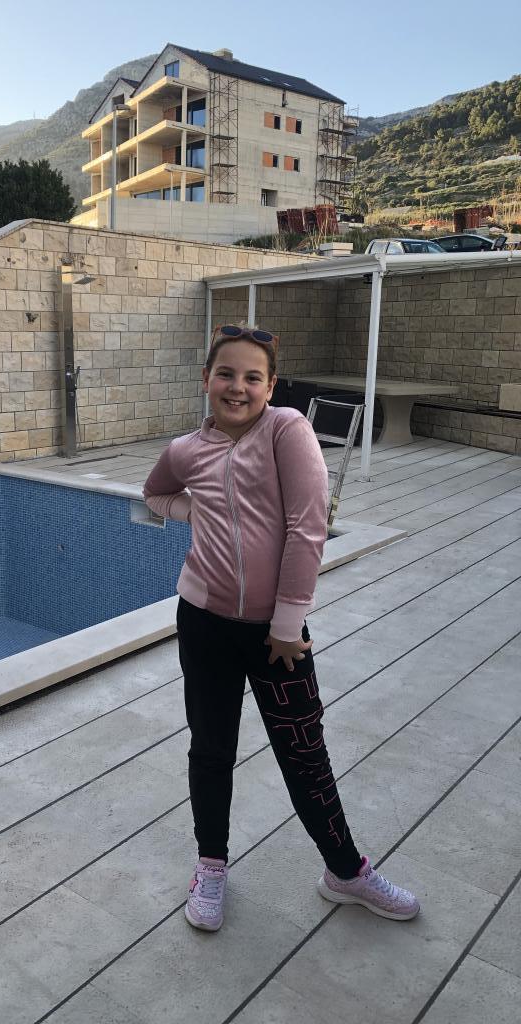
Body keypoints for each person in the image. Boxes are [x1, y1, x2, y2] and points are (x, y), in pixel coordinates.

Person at [143, 324, 420, 932]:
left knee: (303, 750)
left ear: (270, 386)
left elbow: (308, 526)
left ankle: (345, 871)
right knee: (211, 748)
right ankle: (211, 865)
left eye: (252, 377)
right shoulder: (186, 450)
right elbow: (156, 493)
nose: (237, 387)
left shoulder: (285, 430)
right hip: (204, 622)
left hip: (278, 634)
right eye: (225, 374)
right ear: (206, 379)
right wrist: (198, 511)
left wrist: (287, 624)